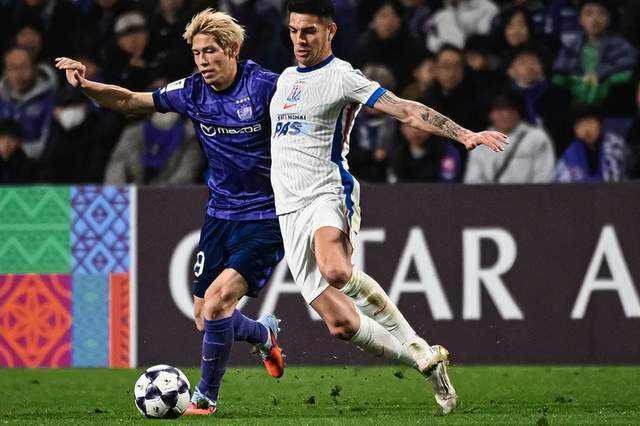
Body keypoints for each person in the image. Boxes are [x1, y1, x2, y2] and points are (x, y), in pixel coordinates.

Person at [270, 0, 507, 414]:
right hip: (287, 209)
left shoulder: (343, 77)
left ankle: (414, 343)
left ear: (330, 30)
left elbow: (406, 110)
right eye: (294, 31)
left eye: (309, 31)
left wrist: (463, 134)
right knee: (341, 325)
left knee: (335, 269)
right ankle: (426, 361)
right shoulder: (285, 79)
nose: (300, 40)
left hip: (328, 193)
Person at [55, 8, 285, 416]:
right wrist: (86, 85)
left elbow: (312, 111)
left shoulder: (266, 86)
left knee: (217, 304)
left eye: (210, 51)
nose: (203, 61)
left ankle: (204, 399)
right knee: (205, 317)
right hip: (219, 215)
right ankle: (262, 335)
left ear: (232, 49)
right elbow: (129, 100)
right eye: (197, 53)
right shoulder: (192, 91)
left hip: (266, 216)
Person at [464, 91, 555, 183]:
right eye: (500, 111)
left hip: (529, 192)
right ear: (490, 114)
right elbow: (472, 181)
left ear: (519, 113)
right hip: (490, 192)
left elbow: (544, 177)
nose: (506, 115)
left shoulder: (537, 138)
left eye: (511, 111)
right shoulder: (479, 141)